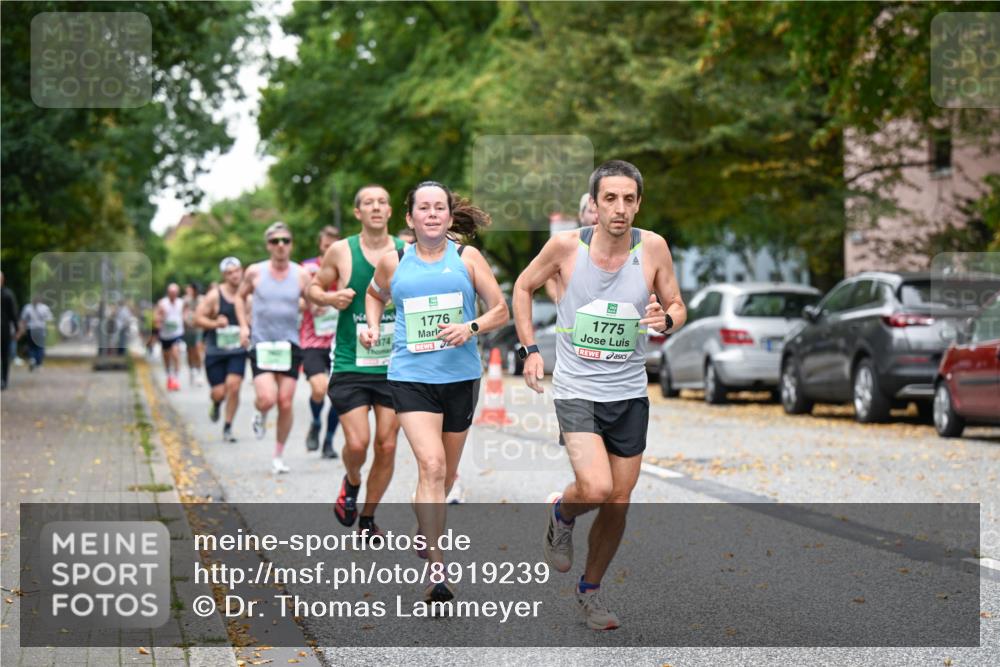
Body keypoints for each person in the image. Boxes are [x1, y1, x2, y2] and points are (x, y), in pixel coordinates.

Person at [512, 160, 686, 631]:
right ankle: (562, 514)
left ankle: (589, 591)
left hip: (629, 392)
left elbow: (677, 304)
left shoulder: (653, 248)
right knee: (595, 488)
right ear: (595, 203)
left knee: (618, 500)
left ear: (639, 203)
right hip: (577, 389)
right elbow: (523, 286)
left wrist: (668, 319)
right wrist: (530, 350)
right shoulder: (567, 247)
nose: (620, 208)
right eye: (610, 198)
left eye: (629, 199)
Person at [364, 181, 508, 604]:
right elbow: (374, 294)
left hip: (460, 378)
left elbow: (500, 309)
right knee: (431, 465)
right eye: (423, 208)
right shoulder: (394, 261)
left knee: (441, 478)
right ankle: (437, 571)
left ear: (448, 215)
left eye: (439, 208)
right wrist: (372, 325)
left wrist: (471, 327)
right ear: (409, 218)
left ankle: (424, 526)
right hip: (410, 377)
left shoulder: (467, 258)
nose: (431, 214)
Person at [308, 186, 405, 537]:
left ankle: (367, 518)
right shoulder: (341, 250)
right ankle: (351, 481)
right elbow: (313, 288)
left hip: (394, 366)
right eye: (368, 202)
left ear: (390, 211)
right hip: (351, 363)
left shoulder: (406, 250)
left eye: (382, 202)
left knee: (387, 445)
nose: (376, 207)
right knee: (358, 443)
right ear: (357, 212)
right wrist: (331, 297)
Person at [236, 222, 310, 474]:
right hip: (262, 342)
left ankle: (278, 455)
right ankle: (261, 412)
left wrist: (321, 305)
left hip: (290, 343)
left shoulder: (301, 274)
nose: (280, 245)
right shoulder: (255, 272)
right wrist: (243, 326)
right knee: (267, 399)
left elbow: (313, 301)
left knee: (285, 402)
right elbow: (239, 297)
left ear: (291, 245)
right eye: (275, 241)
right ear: (268, 245)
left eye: (285, 241)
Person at [195, 257, 249, 443]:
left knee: (234, 386)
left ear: (242, 271)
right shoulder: (215, 295)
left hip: (237, 351)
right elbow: (197, 318)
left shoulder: (248, 294)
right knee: (219, 392)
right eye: (229, 273)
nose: (234, 275)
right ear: (224, 276)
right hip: (216, 351)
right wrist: (215, 323)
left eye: (237, 271)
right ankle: (216, 403)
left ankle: (228, 426)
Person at [300, 226, 342, 458]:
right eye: (326, 246)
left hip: (340, 340)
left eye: (333, 247)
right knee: (319, 388)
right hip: (312, 341)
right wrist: (308, 303)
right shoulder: (307, 268)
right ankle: (316, 421)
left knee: (339, 396)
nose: (329, 251)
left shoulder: (346, 267)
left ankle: (328, 442)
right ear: (320, 245)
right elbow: (294, 298)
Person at [155, 284, 186, 390]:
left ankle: (176, 378)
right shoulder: (162, 303)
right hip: (165, 334)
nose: (173, 295)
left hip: (177, 333)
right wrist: (160, 318)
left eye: (175, 293)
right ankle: (169, 375)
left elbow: (185, 314)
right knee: (166, 357)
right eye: (171, 293)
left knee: (175, 353)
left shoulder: (181, 303)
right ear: (168, 293)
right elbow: (157, 316)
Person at [19, 296, 54, 371]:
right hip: (40, 329)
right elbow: (49, 319)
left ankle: (32, 359)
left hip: (30, 329)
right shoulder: (44, 308)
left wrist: (22, 329)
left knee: (31, 346)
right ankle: (39, 364)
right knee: (40, 347)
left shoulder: (27, 307)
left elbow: (23, 319)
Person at [183, 283, 205, 386]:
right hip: (188, 329)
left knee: (197, 349)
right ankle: (192, 369)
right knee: (190, 350)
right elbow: (183, 312)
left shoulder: (202, 299)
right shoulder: (186, 300)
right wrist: (186, 319)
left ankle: (199, 371)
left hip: (198, 328)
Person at [1, 271, 18, 390]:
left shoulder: (7, 295)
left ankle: (4, 380)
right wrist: (16, 328)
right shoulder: (8, 294)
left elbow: (13, 313)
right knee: (4, 356)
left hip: (4, 330)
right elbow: (13, 314)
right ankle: (3, 380)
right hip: (4, 329)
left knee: (4, 356)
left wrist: (16, 328)